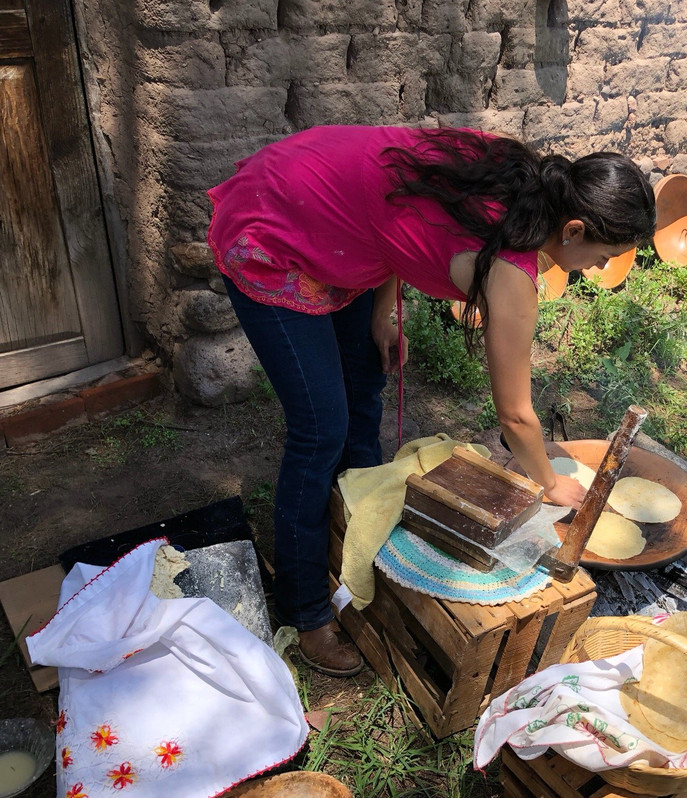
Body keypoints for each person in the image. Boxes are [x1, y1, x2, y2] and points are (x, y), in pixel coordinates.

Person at [206, 125, 656, 676]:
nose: (594, 270)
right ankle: (306, 610)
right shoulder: (512, 264)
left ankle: (353, 532)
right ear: (574, 228)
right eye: (600, 255)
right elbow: (515, 415)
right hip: (275, 223)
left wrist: (382, 313)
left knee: (364, 384)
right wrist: (549, 481)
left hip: (332, 221)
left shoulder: (521, 180)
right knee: (321, 427)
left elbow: (394, 204)